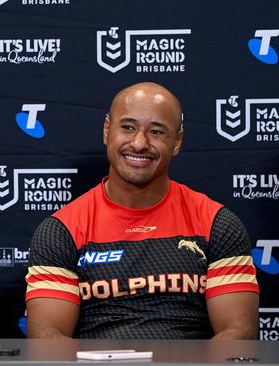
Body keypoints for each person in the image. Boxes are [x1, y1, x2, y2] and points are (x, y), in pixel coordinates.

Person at [25, 82, 259, 339]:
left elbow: (238, 333)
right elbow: (49, 339)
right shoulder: (62, 230)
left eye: (157, 132)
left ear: (177, 142)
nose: (139, 143)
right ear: (106, 131)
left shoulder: (217, 223)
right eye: (128, 127)